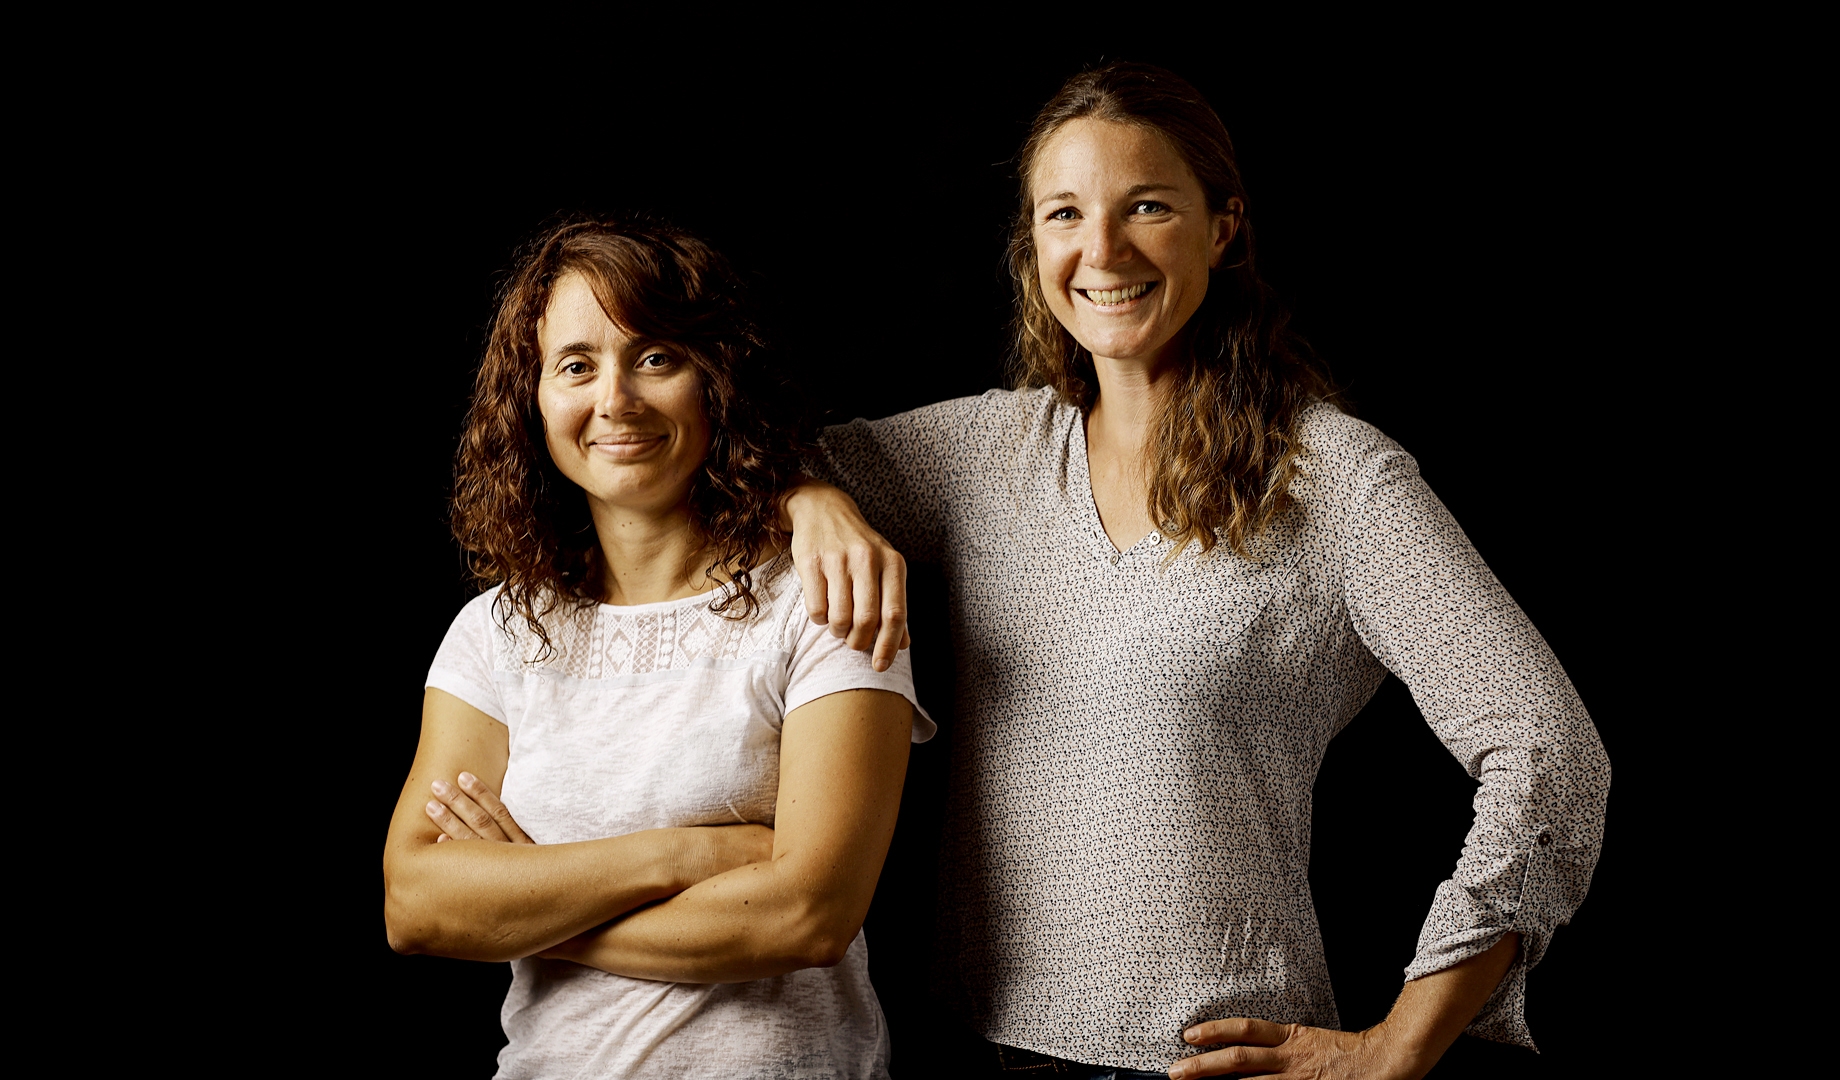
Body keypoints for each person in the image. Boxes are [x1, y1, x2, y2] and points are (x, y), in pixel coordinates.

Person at [783, 62, 1610, 1078]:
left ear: (1222, 229)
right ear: (1033, 245)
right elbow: (737, 463)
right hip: (970, 1050)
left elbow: (1552, 754)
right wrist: (815, 498)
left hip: (1206, 1063)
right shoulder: (986, 457)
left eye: (1147, 207)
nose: (1102, 250)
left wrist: (1400, 1045)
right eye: (1065, 214)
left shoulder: (1334, 480)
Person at [382, 217, 934, 1079]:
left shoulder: (825, 600)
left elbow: (807, 918)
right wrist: (687, 854)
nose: (616, 400)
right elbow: (416, 904)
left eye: (654, 358)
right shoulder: (497, 634)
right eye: (576, 366)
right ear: (533, 400)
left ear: (716, 380)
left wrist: (525, 905)